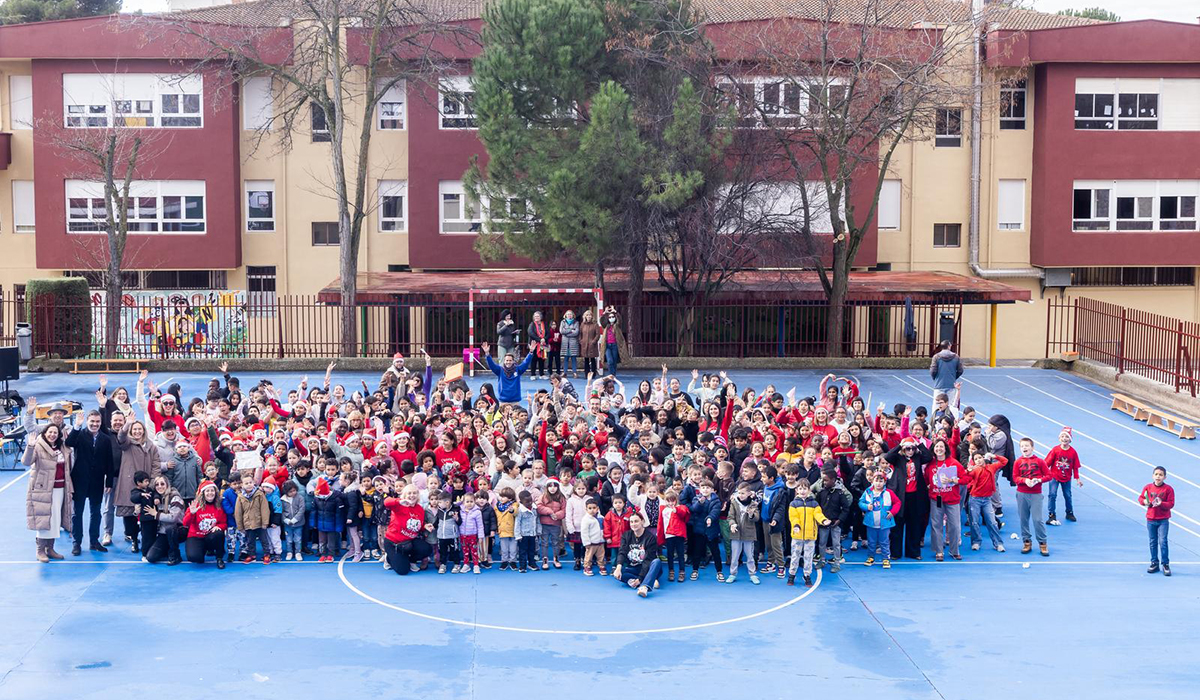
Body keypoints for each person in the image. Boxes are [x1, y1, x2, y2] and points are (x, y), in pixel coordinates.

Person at [64, 410, 115, 556]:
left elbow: (109, 462)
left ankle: (94, 541)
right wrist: (77, 426)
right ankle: (77, 543)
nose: (95, 424)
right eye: (92, 421)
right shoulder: (79, 435)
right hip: (79, 480)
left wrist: (109, 482)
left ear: (101, 422)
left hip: (97, 482)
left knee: (96, 513)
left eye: (97, 422)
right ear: (87, 421)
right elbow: (69, 443)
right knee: (77, 513)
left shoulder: (106, 439)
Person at [23, 423, 73, 563]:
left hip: (60, 488)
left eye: (55, 433)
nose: (52, 435)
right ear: (45, 433)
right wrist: (30, 446)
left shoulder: (61, 447)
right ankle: (40, 550)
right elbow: (26, 461)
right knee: (44, 519)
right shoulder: (38, 446)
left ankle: (50, 549)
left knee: (55, 519)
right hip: (43, 489)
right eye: (50, 432)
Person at [382, 483, 433, 575]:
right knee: (403, 571)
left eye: (414, 493)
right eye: (409, 493)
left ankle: (412, 561)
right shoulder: (399, 505)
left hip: (409, 542)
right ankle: (389, 558)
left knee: (426, 549)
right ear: (404, 495)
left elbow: (417, 525)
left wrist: (424, 526)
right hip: (394, 543)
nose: (412, 495)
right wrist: (399, 501)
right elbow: (386, 502)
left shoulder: (419, 509)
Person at [787, 479, 830, 586]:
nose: (802, 491)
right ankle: (792, 574)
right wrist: (796, 526)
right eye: (800, 488)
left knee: (808, 557)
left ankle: (807, 575)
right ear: (796, 490)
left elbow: (818, 514)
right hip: (797, 535)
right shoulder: (793, 504)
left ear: (809, 490)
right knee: (795, 556)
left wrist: (823, 520)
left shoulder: (814, 504)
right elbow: (793, 517)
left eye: (805, 488)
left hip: (810, 536)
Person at [1012, 437, 1050, 556]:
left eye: (1027, 445)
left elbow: (1049, 476)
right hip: (1022, 493)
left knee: (1037, 519)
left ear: (1032, 447)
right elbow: (1015, 477)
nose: (1024, 448)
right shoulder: (1018, 462)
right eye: (1022, 446)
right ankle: (1026, 541)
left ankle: (1042, 542)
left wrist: (1038, 480)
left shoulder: (1040, 461)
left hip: (1036, 494)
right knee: (1023, 519)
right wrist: (1024, 481)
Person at [612, 511, 664, 597]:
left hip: (647, 568)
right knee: (617, 572)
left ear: (642, 521)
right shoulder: (626, 535)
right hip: (633, 569)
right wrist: (618, 567)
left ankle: (644, 586)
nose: (633, 524)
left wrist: (640, 578)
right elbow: (622, 552)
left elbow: (648, 560)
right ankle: (649, 580)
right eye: (631, 522)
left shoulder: (650, 538)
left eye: (636, 521)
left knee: (657, 562)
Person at [859, 471, 900, 569]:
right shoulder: (867, 492)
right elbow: (860, 502)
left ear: (885, 482)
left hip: (885, 523)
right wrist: (866, 506)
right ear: (872, 481)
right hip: (871, 523)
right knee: (871, 541)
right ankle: (871, 557)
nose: (878, 483)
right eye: (876, 480)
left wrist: (893, 512)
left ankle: (886, 558)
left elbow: (897, 502)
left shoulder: (889, 493)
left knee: (884, 541)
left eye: (881, 481)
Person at [182, 481, 227, 568]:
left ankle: (219, 557)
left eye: (212, 490)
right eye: (207, 491)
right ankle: (203, 550)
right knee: (195, 558)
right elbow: (185, 523)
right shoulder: (195, 505)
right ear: (203, 493)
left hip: (210, 536)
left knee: (218, 533)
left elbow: (224, 523)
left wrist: (219, 526)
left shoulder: (219, 506)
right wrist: (191, 513)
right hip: (196, 536)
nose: (210, 493)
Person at [1139, 466, 1174, 576]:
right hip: (1151, 519)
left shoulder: (1168, 489)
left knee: (1163, 541)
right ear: (1153, 476)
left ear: (1165, 477)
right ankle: (1154, 563)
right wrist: (1145, 502)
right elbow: (1141, 498)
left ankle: (1165, 564)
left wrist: (1161, 504)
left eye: (1161, 475)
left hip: (1163, 520)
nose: (1158, 476)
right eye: (1156, 474)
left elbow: (1171, 504)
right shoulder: (1148, 487)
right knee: (1152, 541)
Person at [1044, 426, 1083, 525]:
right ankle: (1051, 514)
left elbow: (1075, 467)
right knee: (1052, 495)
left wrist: (1077, 478)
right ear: (1059, 438)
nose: (1064, 439)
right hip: (1054, 476)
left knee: (1068, 495)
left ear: (1070, 440)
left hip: (1066, 478)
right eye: (1062, 436)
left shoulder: (1073, 452)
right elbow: (1047, 462)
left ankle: (1069, 513)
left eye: (1066, 437)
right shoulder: (1055, 450)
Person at [726, 481, 761, 585]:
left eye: (743, 493)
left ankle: (752, 574)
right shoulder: (734, 503)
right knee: (735, 556)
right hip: (736, 534)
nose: (740, 495)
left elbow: (757, 518)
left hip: (749, 534)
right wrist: (732, 524)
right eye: (739, 493)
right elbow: (730, 517)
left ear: (749, 493)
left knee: (750, 556)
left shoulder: (753, 504)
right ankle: (732, 574)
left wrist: (751, 515)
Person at [929, 340, 963, 405]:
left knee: (937, 406)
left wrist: (935, 378)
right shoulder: (956, 357)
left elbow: (933, 370)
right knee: (951, 406)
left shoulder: (936, 357)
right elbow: (960, 370)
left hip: (939, 385)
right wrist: (953, 377)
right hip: (951, 385)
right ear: (949, 346)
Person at [580, 498, 606, 576]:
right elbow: (584, 532)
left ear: (597, 508)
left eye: (594, 508)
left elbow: (603, 528)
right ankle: (587, 567)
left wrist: (604, 537)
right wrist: (586, 542)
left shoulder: (601, 517)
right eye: (590, 508)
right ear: (586, 509)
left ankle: (601, 566)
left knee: (601, 555)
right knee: (589, 556)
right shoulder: (586, 519)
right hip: (591, 542)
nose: (592, 510)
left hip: (600, 541)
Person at [599, 306, 625, 375]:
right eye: (610, 317)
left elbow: (620, 320)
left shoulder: (617, 325)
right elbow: (601, 321)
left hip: (615, 345)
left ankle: (613, 375)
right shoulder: (606, 326)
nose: (611, 318)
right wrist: (604, 313)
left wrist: (615, 312)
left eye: (612, 317)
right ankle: (611, 375)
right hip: (607, 345)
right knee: (610, 361)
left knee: (614, 361)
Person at [579, 309, 601, 376]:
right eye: (587, 315)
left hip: (592, 345)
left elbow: (597, 334)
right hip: (584, 345)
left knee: (592, 359)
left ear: (592, 316)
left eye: (590, 315)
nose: (589, 316)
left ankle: (593, 373)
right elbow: (580, 334)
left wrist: (594, 341)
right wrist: (581, 341)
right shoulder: (582, 324)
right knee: (586, 360)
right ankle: (586, 374)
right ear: (585, 316)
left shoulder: (595, 324)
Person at [527, 310, 549, 379]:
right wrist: (539, 339)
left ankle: (541, 374)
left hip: (543, 344)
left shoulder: (544, 324)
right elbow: (530, 333)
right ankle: (533, 374)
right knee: (534, 359)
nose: (536, 317)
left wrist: (544, 339)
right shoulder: (532, 324)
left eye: (538, 316)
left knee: (542, 359)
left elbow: (548, 333)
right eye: (535, 316)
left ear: (541, 317)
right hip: (534, 344)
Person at [560, 310, 581, 378]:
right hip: (565, 343)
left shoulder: (576, 322)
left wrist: (566, 333)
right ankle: (564, 372)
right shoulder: (562, 322)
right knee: (565, 358)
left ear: (573, 315)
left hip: (573, 343)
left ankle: (574, 372)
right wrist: (571, 330)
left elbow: (576, 332)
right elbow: (561, 331)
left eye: (570, 314)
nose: (569, 315)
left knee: (573, 358)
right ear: (565, 315)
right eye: (568, 314)